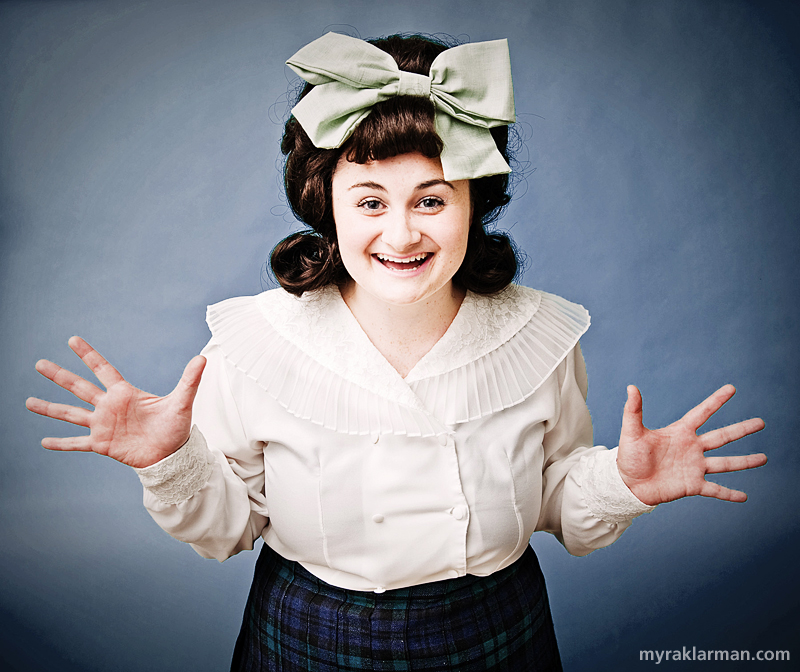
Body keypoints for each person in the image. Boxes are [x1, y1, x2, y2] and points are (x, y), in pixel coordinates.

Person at [25, 32, 767, 672]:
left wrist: (622, 484)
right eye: (371, 201)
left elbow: (553, 505)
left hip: (495, 625)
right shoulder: (257, 342)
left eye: (432, 199)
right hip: (308, 631)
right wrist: (170, 459)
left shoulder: (539, 337)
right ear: (327, 204)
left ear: (475, 203)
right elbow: (228, 531)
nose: (403, 234)